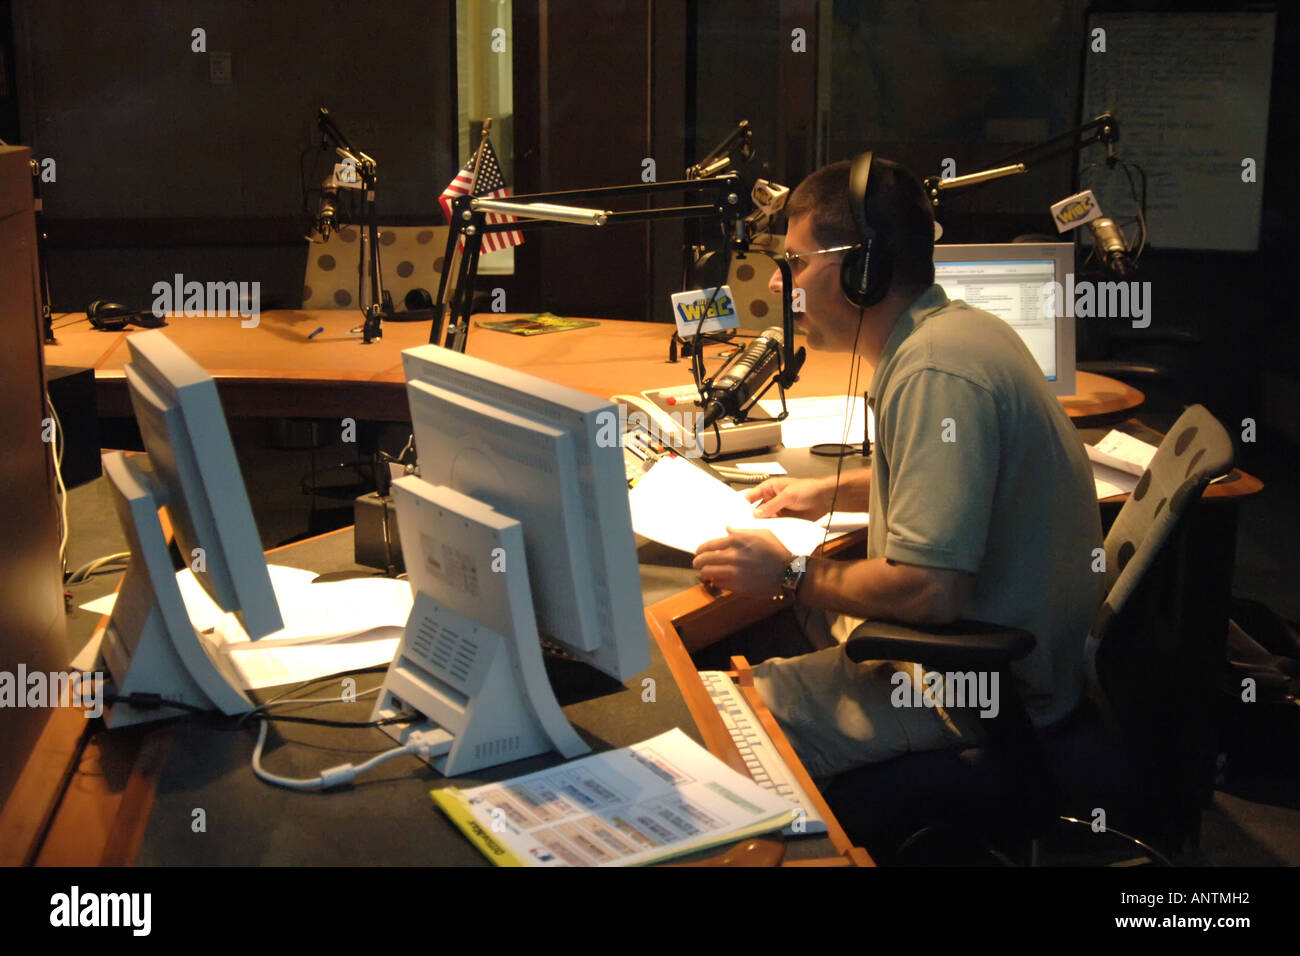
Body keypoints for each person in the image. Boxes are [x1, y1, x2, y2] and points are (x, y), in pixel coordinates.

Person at [691, 155, 1103, 780]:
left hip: (971, 690)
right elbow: (958, 481)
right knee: (773, 627)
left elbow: (929, 591)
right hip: (1015, 661)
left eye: (796, 263)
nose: (777, 283)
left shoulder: (934, 372)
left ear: (862, 271)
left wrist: (791, 572)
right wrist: (829, 490)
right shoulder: (958, 331)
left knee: (711, 720)